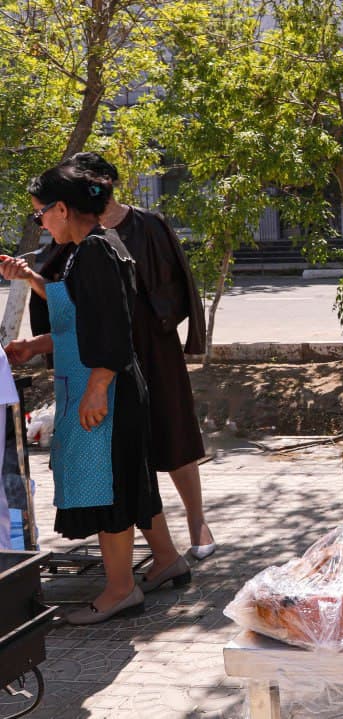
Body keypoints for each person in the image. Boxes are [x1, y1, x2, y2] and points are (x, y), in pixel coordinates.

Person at [2, 164, 189, 625]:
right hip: (98, 383)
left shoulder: (96, 254)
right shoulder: (89, 250)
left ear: (63, 209)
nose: (40, 223)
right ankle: (167, 560)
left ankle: (121, 589)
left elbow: (112, 328)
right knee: (129, 479)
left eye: (41, 214)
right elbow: (79, 317)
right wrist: (32, 306)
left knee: (109, 489)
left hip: (102, 387)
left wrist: (98, 389)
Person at [32, 153, 215, 562]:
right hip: (106, 353)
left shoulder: (140, 227)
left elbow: (177, 282)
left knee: (173, 431)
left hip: (151, 344)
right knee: (126, 454)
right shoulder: (75, 236)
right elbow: (66, 296)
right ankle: (162, 555)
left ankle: (195, 520)